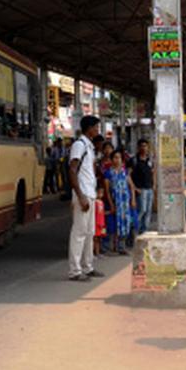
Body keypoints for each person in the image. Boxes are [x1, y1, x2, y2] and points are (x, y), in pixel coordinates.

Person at [68, 115, 105, 282]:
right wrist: (80, 195)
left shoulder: (89, 146)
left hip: (89, 193)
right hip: (83, 194)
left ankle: (88, 267)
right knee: (79, 232)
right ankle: (75, 270)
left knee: (89, 232)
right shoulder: (79, 145)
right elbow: (72, 170)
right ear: (89, 128)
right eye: (96, 127)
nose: (97, 130)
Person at [103, 149, 134, 254]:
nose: (117, 160)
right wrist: (111, 204)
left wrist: (132, 200)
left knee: (124, 224)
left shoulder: (124, 172)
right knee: (113, 225)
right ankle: (111, 247)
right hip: (114, 202)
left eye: (119, 158)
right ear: (111, 160)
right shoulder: (108, 173)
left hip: (125, 203)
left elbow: (131, 186)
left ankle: (121, 247)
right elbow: (107, 191)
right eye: (115, 158)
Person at [131, 139, 154, 235]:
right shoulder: (134, 160)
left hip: (149, 189)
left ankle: (144, 231)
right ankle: (134, 230)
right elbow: (128, 175)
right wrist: (135, 188)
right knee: (142, 210)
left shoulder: (150, 160)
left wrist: (154, 186)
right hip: (141, 189)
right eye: (142, 146)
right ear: (138, 147)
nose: (144, 148)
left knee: (148, 211)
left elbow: (153, 172)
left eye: (145, 146)